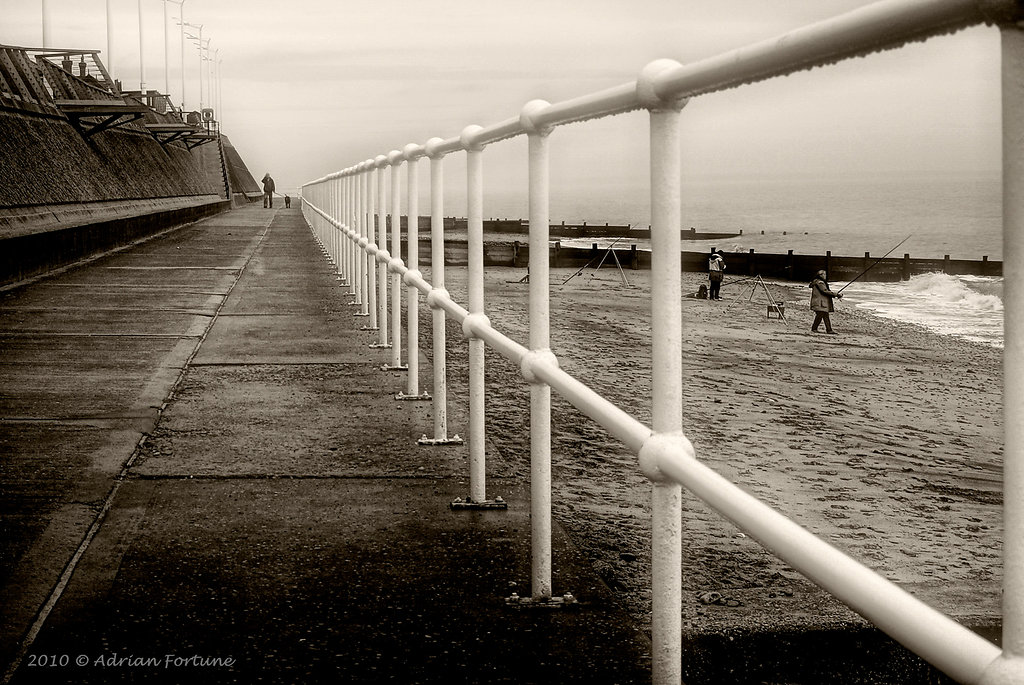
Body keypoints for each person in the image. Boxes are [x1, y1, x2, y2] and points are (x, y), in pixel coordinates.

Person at [809, 269, 843, 333]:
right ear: (820, 275)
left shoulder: (817, 281)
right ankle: (815, 328)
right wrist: (836, 294)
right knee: (820, 315)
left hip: (820, 302)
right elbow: (825, 291)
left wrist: (834, 294)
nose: (825, 276)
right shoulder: (820, 282)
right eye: (824, 274)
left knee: (825, 315)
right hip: (820, 302)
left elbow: (825, 291)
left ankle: (828, 330)